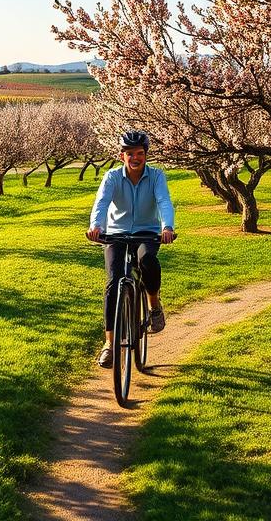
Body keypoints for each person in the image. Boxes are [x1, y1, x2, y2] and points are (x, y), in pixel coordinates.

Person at [87, 130, 175, 369]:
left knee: (147, 261)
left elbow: (163, 201)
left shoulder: (156, 176)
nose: (135, 158)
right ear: (121, 155)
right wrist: (96, 226)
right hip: (116, 234)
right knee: (113, 282)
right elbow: (102, 202)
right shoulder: (112, 177)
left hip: (147, 232)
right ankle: (109, 344)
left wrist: (167, 226)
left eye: (139, 154)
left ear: (146, 155)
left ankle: (154, 305)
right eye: (130, 154)